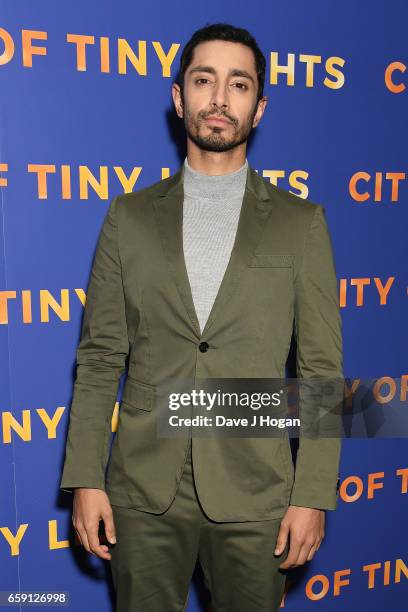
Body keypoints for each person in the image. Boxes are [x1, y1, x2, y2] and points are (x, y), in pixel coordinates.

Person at [60, 22, 343, 612]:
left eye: (238, 84)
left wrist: (312, 494)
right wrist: (86, 478)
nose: (219, 98)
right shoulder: (129, 218)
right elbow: (100, 357)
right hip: (142, 490)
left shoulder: (301, 224)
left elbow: (319, 369)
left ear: (259, 108)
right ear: (178, 96)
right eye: (204, 80)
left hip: (257, 491)